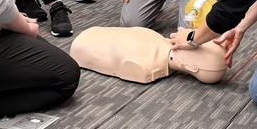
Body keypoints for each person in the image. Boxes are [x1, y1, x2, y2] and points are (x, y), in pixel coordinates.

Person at [71, 27, 227, 84]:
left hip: (87, 41)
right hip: (85, 41)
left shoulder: (144, 61)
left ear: (191, 68)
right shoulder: (153, 45)